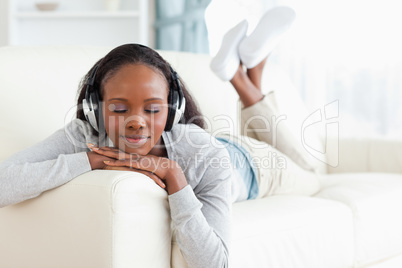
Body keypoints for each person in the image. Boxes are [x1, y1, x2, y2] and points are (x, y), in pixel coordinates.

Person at [0, 6, 320, 268]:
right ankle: (249, 70)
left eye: (153, 110)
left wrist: (175, 178)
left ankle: (244, 77)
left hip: (253, 167)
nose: (137, 123)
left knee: (313, 175)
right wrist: (90, 159)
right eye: (120, 109)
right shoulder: (87, 135)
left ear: (173, 108)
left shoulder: (203, 154)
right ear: (96, 108)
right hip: (217, 147)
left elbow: (213, 264)